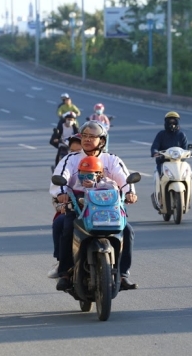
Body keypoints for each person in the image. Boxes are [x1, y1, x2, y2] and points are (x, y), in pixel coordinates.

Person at [50, 120, 138, 291]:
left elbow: (123, 177)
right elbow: (61, 176)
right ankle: (66, 272)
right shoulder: (71, 158)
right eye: (84, 136)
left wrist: (130, 193)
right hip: (78, 204)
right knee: (65, 225)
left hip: (106, 203)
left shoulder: (111, 159)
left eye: (92, 136)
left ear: (102, 140)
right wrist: (61, 194)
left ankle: (122, 273)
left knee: (127, 230)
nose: (87, 139)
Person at [48, 133, 83, 278]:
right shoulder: (68, 162)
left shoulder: (105, 162)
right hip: (73, 208)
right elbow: (57, 190)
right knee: (60, 223)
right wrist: (61, 201)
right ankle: (62, 262)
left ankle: (120, 272)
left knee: (125, 229)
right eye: (73, 151)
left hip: (99, 211)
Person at [150, 111, 188, 200]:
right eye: (169, 121)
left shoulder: (181, 135)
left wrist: (186, 154)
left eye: (174, 121)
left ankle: (187, 196)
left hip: (178, 164)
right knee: (160, 176)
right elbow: (155, 146)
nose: (172, 123)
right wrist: (155, 152)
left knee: (188, 174)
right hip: (163, 163)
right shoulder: (161, 135)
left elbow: (185, 149)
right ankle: (160, 195)